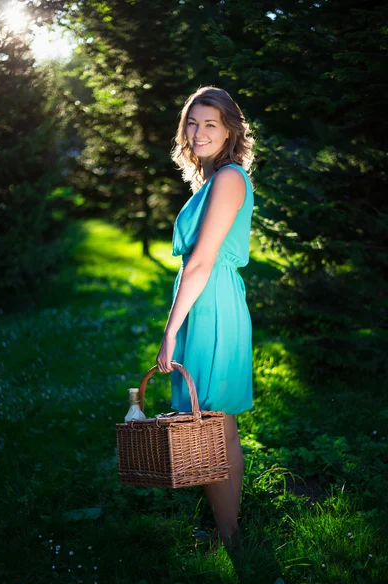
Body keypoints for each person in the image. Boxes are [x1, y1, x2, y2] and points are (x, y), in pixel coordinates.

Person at [156, 85, 255, 550]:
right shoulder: (213, 178)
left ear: (230, 130)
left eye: (210, 124)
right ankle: (229, 531)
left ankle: (229, 538)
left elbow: (201, 261)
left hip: (212, 302)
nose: (198, 132)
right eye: (192, 123)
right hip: (207, 298)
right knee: (217, 422)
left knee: (212, 422)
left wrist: (170, 331)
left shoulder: (230, 178)